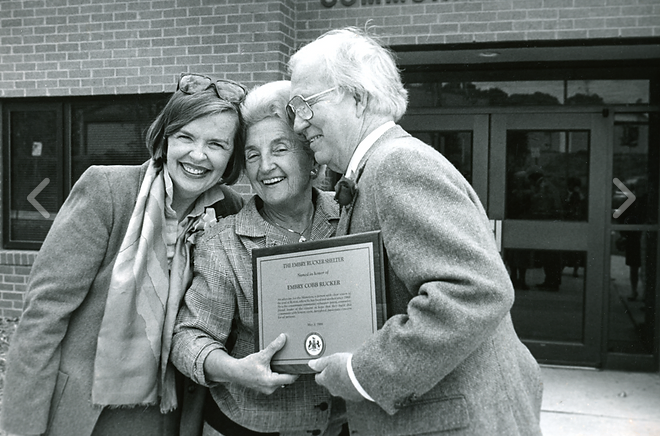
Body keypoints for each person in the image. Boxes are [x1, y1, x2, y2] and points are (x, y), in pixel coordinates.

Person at [288, 27, 543, 435]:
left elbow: (475, 291)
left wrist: (360, 373)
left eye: (304, 104)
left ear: (358, 97)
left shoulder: (396, 166)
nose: (298, 124)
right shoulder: (380, 167)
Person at [1, 74, 247, 436]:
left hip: (172, 412)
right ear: (165, 140)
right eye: (186, 137)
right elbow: (44, 314)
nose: (198, 154)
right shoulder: (107, 190)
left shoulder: (230, 210)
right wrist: (19, 428)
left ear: (231, 158)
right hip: (87, 412)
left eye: (216, 144)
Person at [171, 81, 346, 436]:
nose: (265, 166)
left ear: (312, 158)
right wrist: (237, 371)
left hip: (344, 424)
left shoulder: (350, 217)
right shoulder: (222, 242)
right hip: (248, 426)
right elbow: (189, 337)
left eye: (279, 149)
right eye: (253, 155)